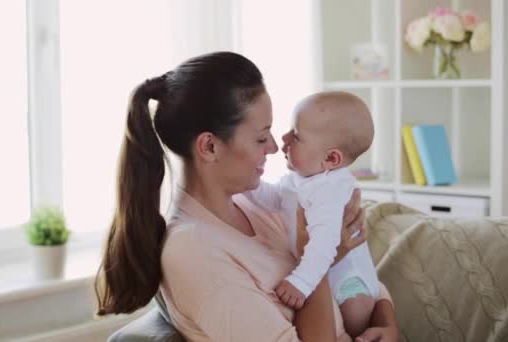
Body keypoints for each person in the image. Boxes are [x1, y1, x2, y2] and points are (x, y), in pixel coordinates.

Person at [95, 51, 399, 341]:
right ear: (210, 147)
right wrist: (321, 262)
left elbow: (360, 276)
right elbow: (324, 268)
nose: (274, 148)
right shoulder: (195, 253)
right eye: (260, 137)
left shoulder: (256, 203)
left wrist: (386, 322)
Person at [247, 91, 381, 338]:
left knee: (354, 321)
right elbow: (274, 199)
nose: (283, 139)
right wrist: (246, 186)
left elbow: (324, 243)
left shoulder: (330, 190)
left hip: (350, 284)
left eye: (296, 136)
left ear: (331, 158)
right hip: (327, 275)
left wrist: (301, 282)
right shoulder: (303, 179)